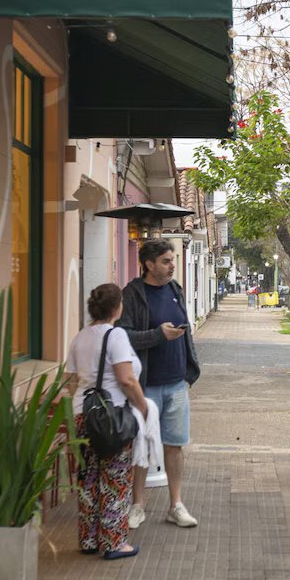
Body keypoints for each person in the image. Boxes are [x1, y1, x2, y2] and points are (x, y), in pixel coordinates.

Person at [119, 239, 202, 529]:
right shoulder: (132, 294)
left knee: (175, 446)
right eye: (166, 261)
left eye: (172, 260)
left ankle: (176, 505)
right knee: (142, 445)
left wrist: (190, 365)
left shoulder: (175, 289)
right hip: (146, 384)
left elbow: (185, 327)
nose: (172, 265)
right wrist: (157, 335)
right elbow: (123, 336)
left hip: (176, 382)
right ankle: (137, 505)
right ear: (149, 263)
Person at [64, 283, 150, 559]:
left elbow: (70, 381)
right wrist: (142, 406)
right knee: (115, 477)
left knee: (89, 476)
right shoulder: (116, 336)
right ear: (117, 308)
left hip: (82, 413)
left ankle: (89, 538)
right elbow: (125, 378)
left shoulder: (80, 337)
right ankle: (114, 541)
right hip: (111, 416)